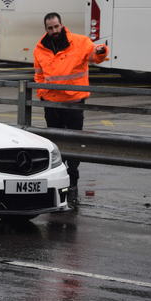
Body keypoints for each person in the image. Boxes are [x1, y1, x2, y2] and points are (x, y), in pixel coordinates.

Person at [33, 12, 108, 204]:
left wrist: (101, 51)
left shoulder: (80, 42)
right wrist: (42, 93)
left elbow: (95, 56)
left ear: (61, 25)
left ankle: (72, 182)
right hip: (51, 102)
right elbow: (39, 74)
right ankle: (58, 181)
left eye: (56, 26)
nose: (54, 31)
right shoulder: (40, 48)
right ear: (46, 29)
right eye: (50, 28)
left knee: (74, 142)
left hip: (74, 101)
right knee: (55, 143)